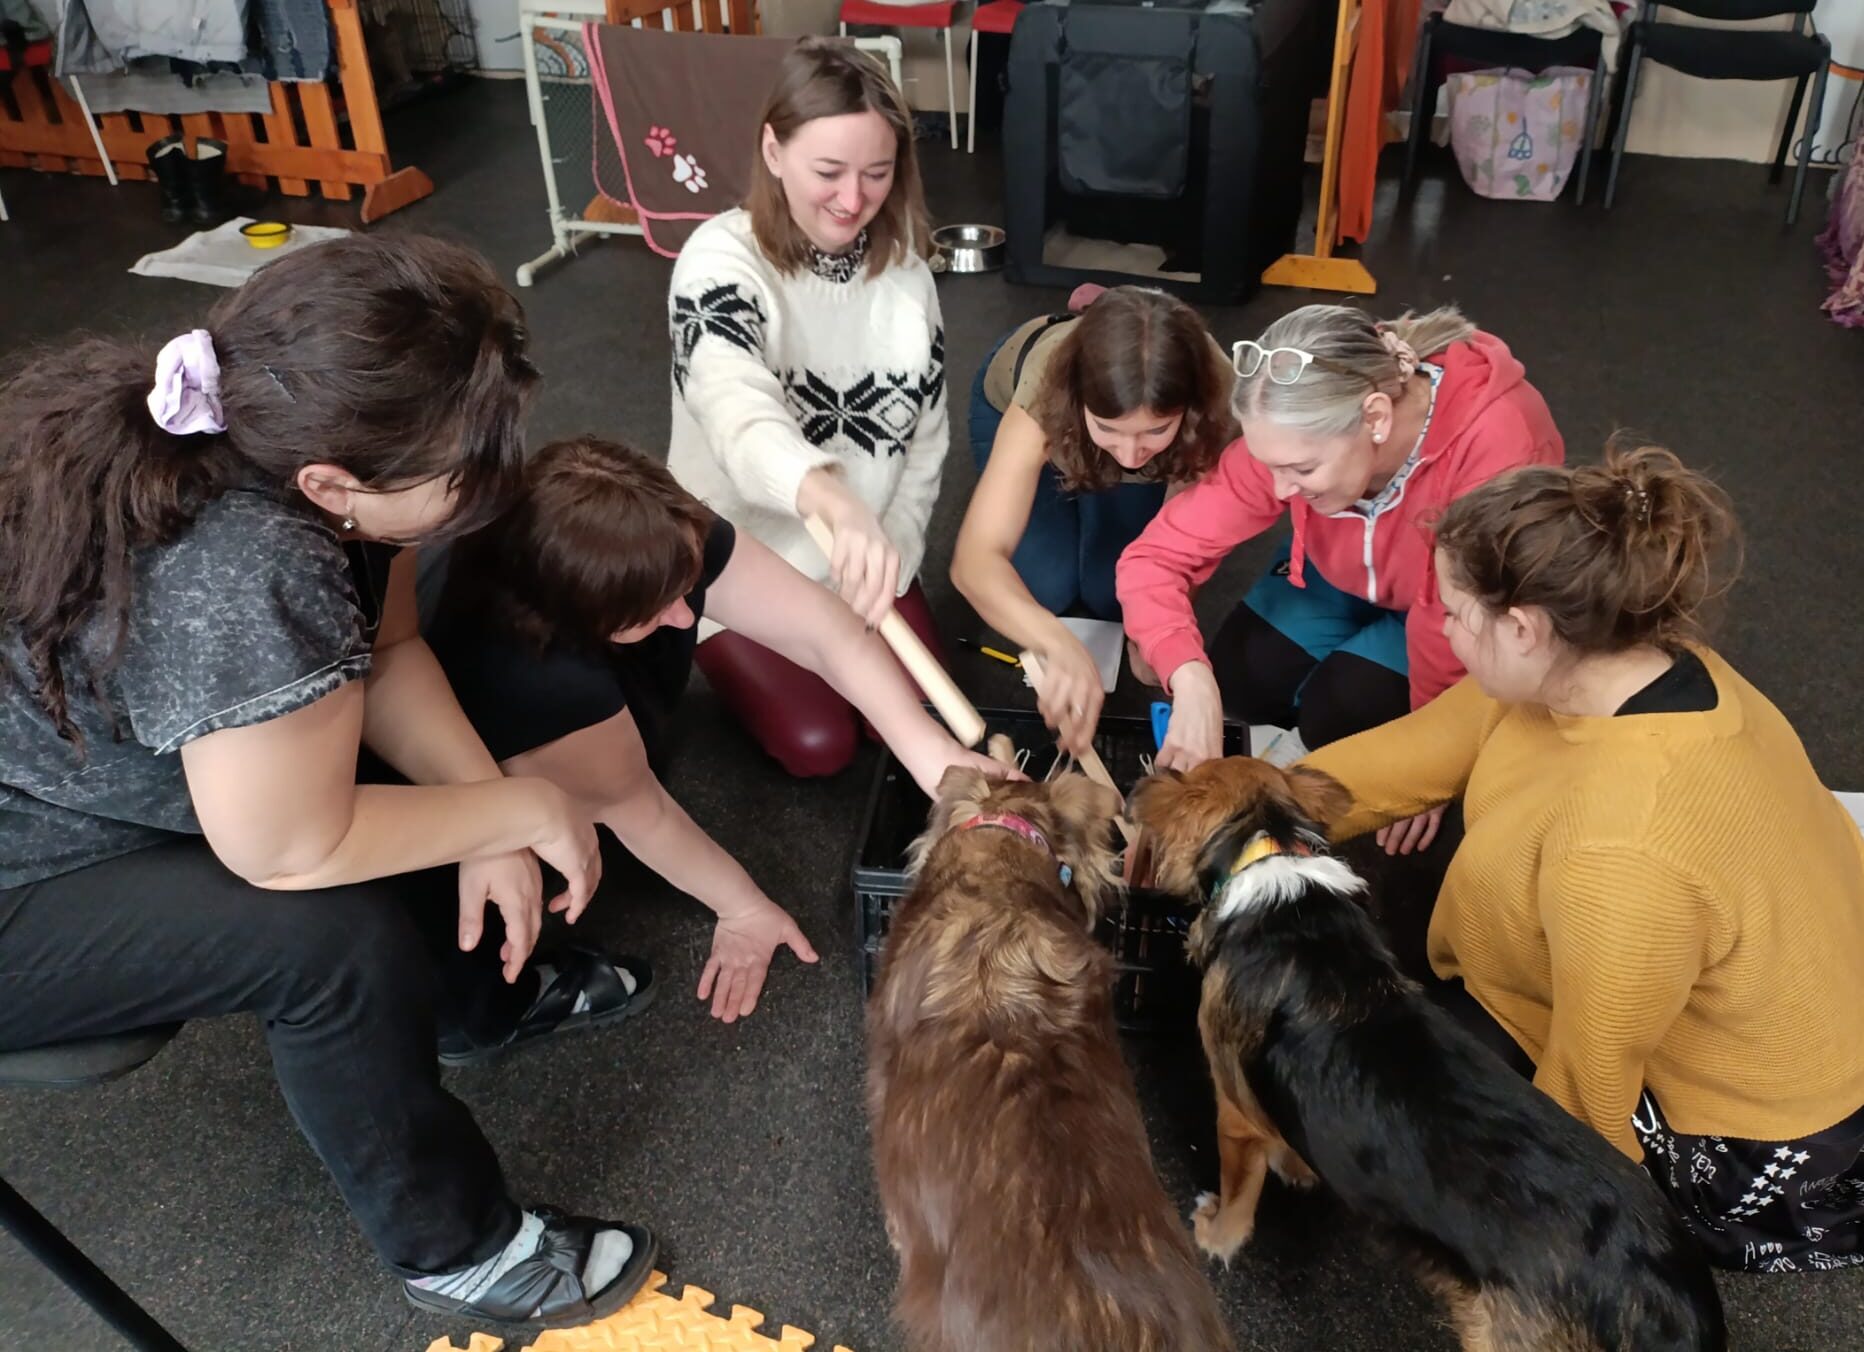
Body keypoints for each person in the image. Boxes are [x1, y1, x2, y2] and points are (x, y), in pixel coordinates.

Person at [0, 236, 661, 1328]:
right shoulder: (247, 560)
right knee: (326, 941)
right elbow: (288, 848)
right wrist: (525, 804)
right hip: (21, 879)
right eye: (464, 471)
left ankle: (475, 1002)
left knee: (394, 757)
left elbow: (388, 653)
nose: (490, 490)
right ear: (333, 486)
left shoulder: (316, 447)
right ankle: (456, 1251)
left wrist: (482, 813)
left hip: (145, 772)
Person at [1301, 447, 1864, 1273]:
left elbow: (1590, 1090)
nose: (1442, 628)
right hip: (1778, 998)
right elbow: (1430, 745)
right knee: (1419, 874)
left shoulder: (1623, 847)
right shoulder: (1630, 661)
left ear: (1524, 627)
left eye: (1454, 611)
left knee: (1380, 1065)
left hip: (1770, 1149)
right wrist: (1241, 794)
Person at [425, 437, 1009, 1023]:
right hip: (466, 788)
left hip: (596, 684)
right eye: (654, 612)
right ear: (585, 620)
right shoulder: (541, 681)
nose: (687, 617)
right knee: (586, 809)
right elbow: (641, 810)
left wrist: (928, 749)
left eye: (686, 586)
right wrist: (743, 909)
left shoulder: (659, 529)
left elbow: (822, 629)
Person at [666, 37, 949, 780]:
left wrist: (891, 555)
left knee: (908, 726)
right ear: (773, 149)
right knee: (820, 746)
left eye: (876, 173)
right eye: (828, 171)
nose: (852, 199)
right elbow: (734, 407)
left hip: (866, 560)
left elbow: (925, 449)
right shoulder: (718, 260)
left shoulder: (911, 283)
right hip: (745, 567)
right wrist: (827, 495)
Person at [1118, 303, 1564, 774]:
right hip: (1337, 572)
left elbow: (1471, 615)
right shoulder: (1291, 427)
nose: (1282, 490)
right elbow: (1153, 559)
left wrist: (1434, 756)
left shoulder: (1499, 445)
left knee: (1343, 710)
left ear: (1375, 418)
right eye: (1267, 464)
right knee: (1236, 679)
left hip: (1452, 609)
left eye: (1303, 469)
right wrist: (1188, 675)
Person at [950, 286, 1236, 754]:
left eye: (1155, 429)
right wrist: (1057, 642)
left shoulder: (1216, 396)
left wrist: (1161, 639)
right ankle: (1090, 327)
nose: (1128, 454)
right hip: (1020, 408)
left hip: (1121, 438)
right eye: (1109, 429)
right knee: (1049, 590)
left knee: (1115, 596)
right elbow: (975, 562)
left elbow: (1186, 545)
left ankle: (1102, 470)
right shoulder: (1048, 384)